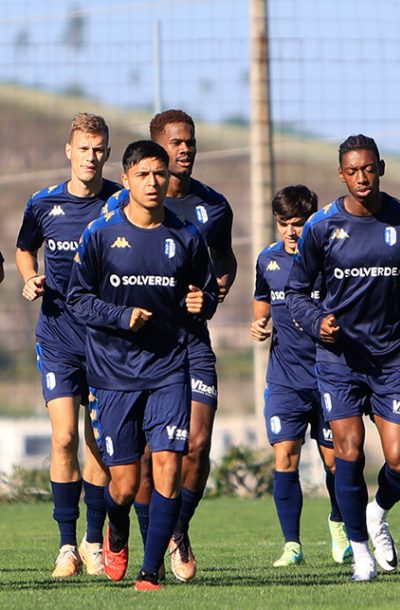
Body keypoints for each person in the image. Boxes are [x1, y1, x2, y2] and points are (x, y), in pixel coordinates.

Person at [66, 139, 219, 590]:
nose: (154, 183)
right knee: (126, 485)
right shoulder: (100, 235)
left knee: (169, 463)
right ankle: (116, 528)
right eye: (144, 175)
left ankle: (151, 572)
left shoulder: (187, 236)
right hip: (113, 374)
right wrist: (120, 316)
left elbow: (208, 293)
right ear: (128, 179)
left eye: (161, 174)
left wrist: (202, 301)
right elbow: (78, 298)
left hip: (169, 368)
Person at [286, 134, 400, 582]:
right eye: (352, 171)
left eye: (368, 169)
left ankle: (377, 511)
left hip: (393, 359)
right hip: (340, 360)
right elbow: (296, 292)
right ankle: (360, 553)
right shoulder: (321, 227)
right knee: (348, 453)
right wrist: (317, 323)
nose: (361, 178)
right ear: (341, 175)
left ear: (381, 168)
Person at [105, 109, 236, 582]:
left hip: (190, 343)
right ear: (157, 146)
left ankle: (176, 532)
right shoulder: (122, 208)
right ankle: (142, 541)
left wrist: (212, 295)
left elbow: (224, 262)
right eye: (176, 142)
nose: (185, 150)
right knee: (140, 461)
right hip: (135, 350)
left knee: (195, 445)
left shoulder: (213, 208)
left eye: (191, 142)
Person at [15, 113, 118, 577]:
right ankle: (65, 547)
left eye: (99, 150)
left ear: (107, 154)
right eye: (84, 149)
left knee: (98, 442)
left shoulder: (120, 203)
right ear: (68, 151)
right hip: (58, 338)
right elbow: (23, 248)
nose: (91, 157)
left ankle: (94, 541)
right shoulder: (43, 203)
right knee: (63, 436)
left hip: (106, 341)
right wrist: (29, 277)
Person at [251, 185, 351, 567]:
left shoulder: (329, 260)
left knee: (336, 461)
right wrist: (260, 325)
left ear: (312, 221)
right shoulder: (268, 261)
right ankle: (292, 544)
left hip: (329, 374)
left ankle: (339, 527)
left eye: (299, 223)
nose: (291, 231)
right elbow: (262, 303)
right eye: (284, 224)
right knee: (285, 458)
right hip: (285, 380)